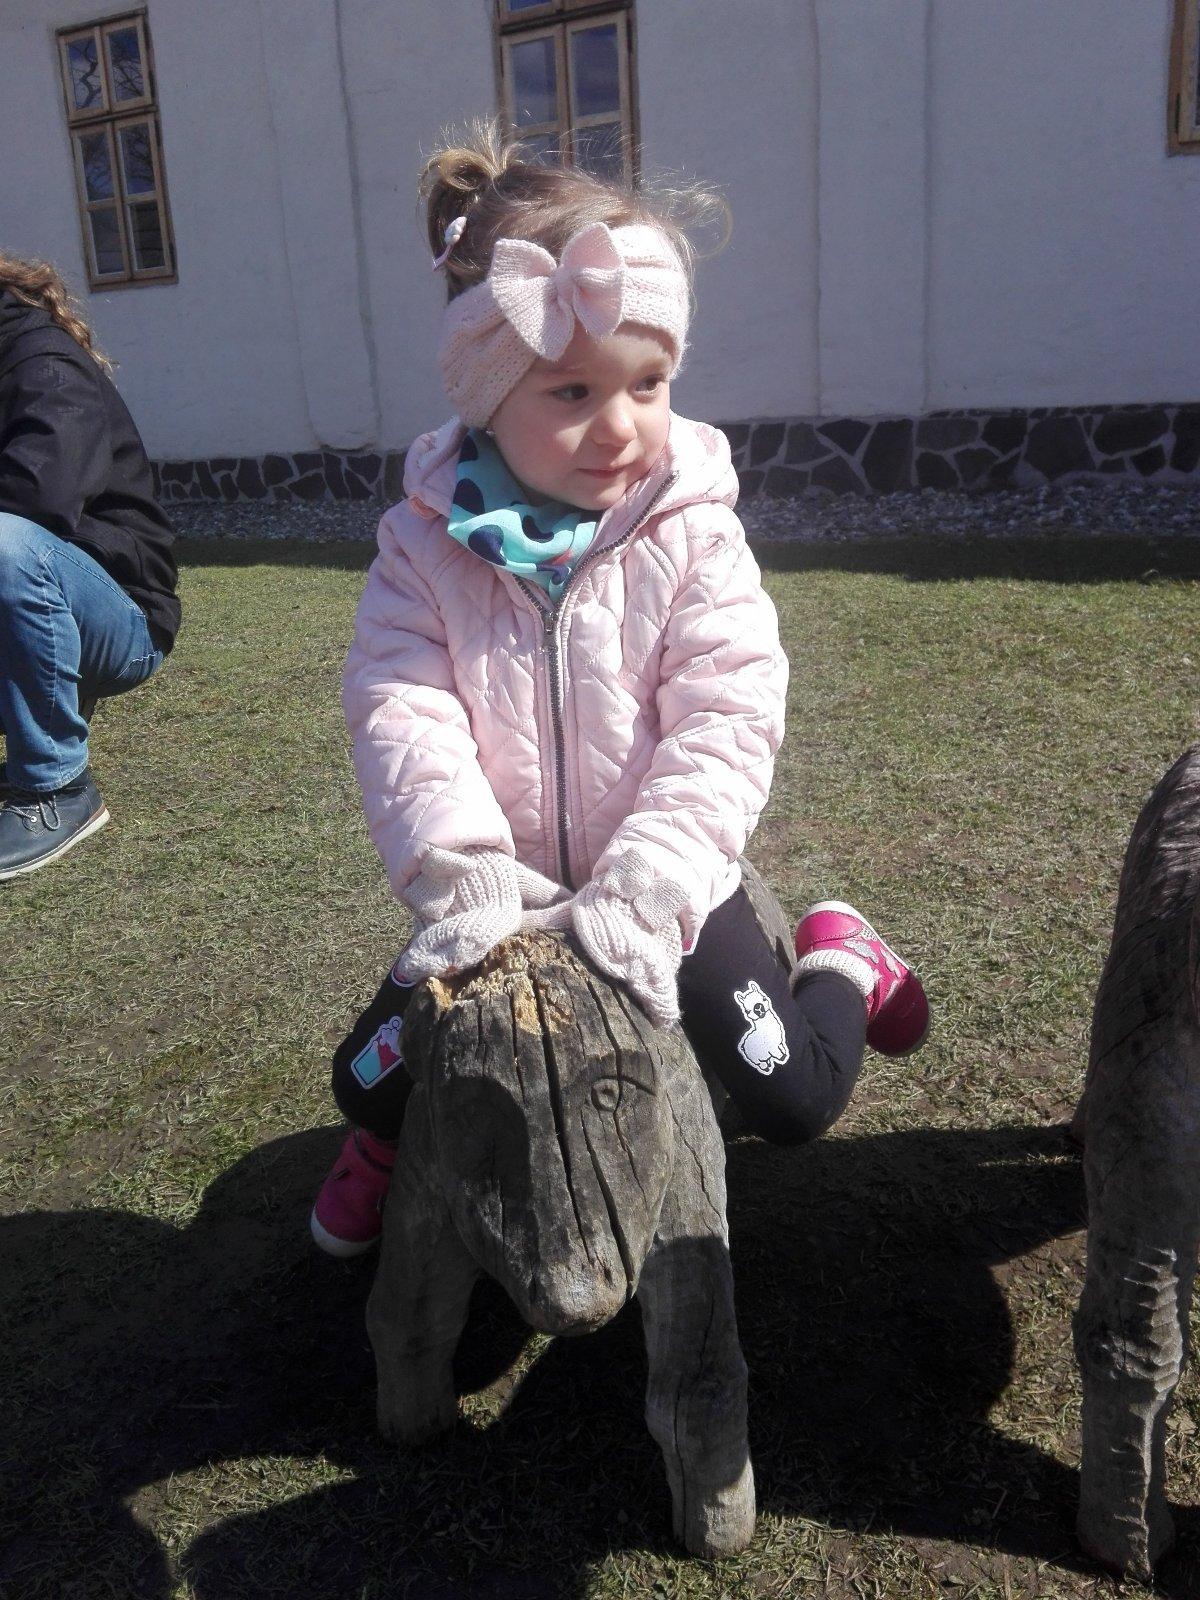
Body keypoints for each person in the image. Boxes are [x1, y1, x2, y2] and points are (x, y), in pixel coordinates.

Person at [310, 126, 930, 1255]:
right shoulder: (423, 547)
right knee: (363, 1076)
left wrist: (654, 881)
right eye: (574, 389)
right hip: (501, 896)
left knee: (791, 1096)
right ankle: (393, 1143)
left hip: (667, 883)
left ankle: (845, 953)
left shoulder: (692, 533)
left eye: (649, 383)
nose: (622, 424)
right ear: (486, 393)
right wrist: (465, 877)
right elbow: (403, 716)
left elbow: (728, 714)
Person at [0, 252, 180, 880]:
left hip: (123, 621)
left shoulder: (44, 365)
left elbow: (37, 498)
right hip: (47, 608)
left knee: (3, 546)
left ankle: (58, 789)